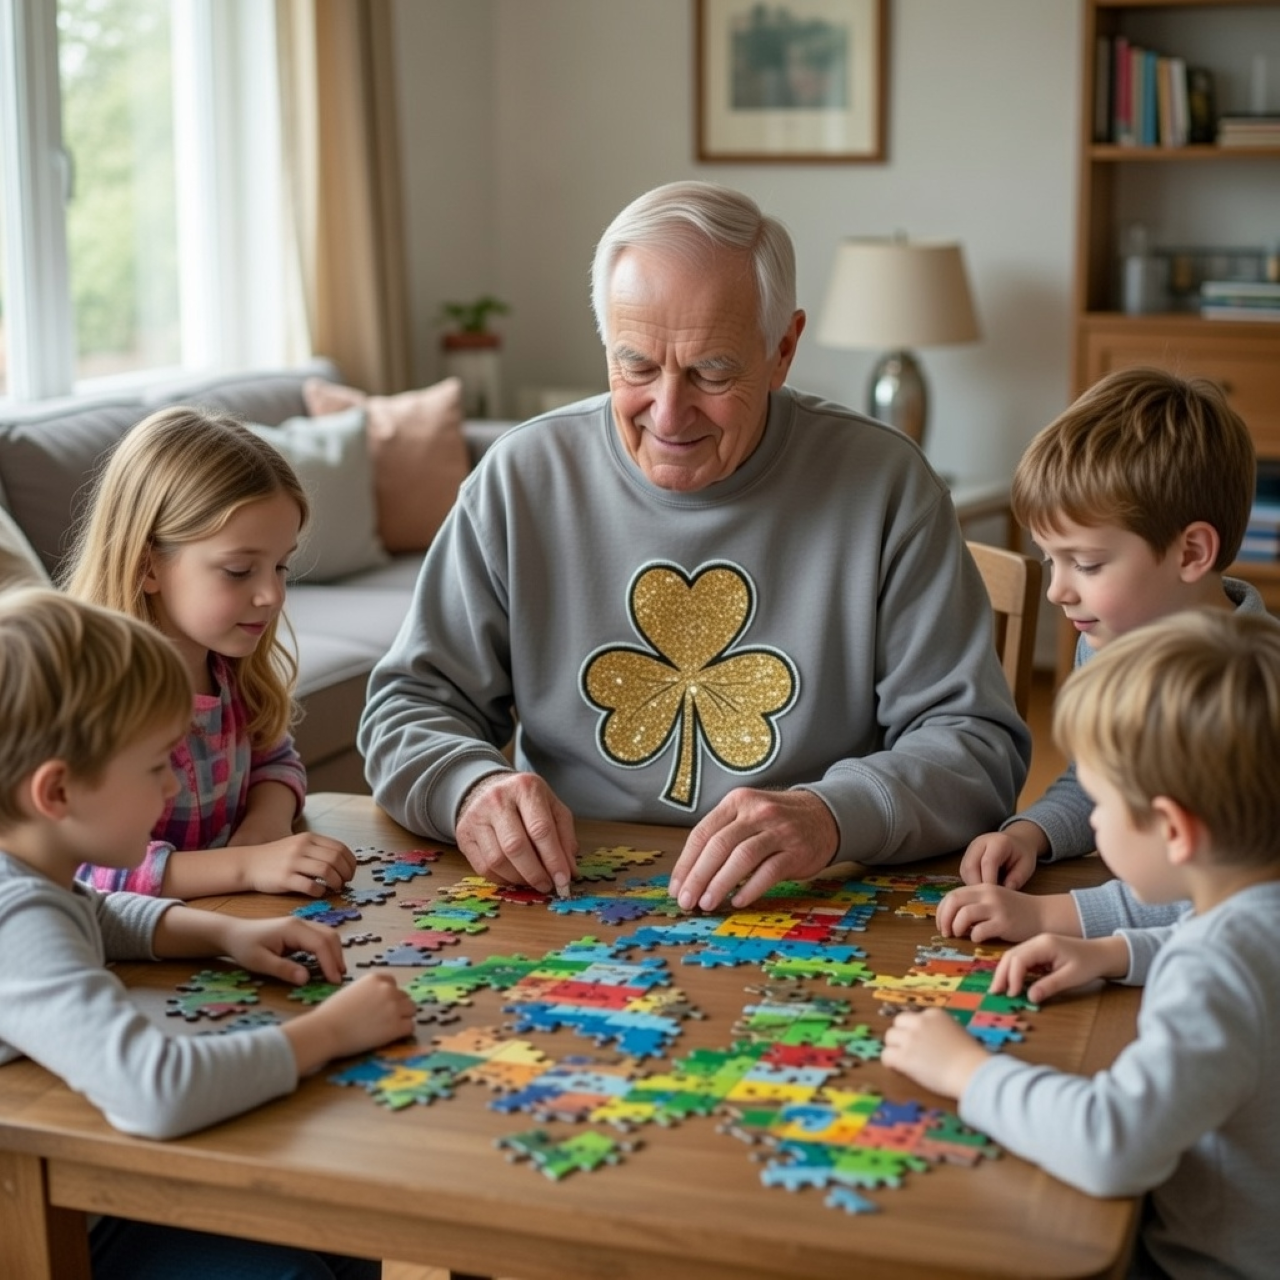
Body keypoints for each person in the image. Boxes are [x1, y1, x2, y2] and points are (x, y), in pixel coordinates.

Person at [358, 179, 1030, 911]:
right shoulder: (520, 478)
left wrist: (832, 815)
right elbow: (408, 706)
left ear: (784, 349)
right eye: (636, 365)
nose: (669, 413)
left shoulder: (887, 485)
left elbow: (974, 746)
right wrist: (471, 786)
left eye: (712, 370)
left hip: (809, 902)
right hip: (568, 897)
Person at [0, 587, 417, 1279]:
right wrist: (330, 1033)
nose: (171, 789)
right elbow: (154, 1089)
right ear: (57, 792)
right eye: (156, 765)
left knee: (339, 1232)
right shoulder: (15, 916)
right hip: (42, 1230)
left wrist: (223, 934)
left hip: (70, 1189)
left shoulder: (30, 874)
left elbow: (95, 917)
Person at [883, 609, 1280, 1280]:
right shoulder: (1248, 915)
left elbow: (1111, 1143)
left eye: (1098, 805)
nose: (1090, 823)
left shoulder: (1213, 969)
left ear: (1175, 832)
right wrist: (1115, 952)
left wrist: (964, 1072)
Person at [943, 366, 1265, 945]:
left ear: (1191, 551)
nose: (1057, 590)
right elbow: (1091, 780)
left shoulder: (1250, 694)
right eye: (1050, 560)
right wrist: (1031, 833)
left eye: (1086, 564)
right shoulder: (1111, 641)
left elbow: (1228, 898)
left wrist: (1053, 916)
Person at [60, 406, 358, 899]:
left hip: (229, 925)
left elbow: (275, 759)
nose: (273, 595)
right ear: (146, 567)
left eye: (281, 567)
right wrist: (244, 866)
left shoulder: (230, 670)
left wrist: (264, 827)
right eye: (240, 570)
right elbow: (90, 873)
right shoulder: (92, 699)